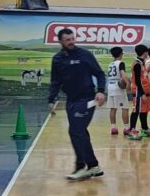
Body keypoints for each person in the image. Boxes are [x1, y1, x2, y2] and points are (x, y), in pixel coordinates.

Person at [47, 29, 106, 181]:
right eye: (68, 40)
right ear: (60, 41)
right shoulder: (57, 59)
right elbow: (55, 81)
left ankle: (82, 166)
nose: (71, 42)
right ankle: (93, 166)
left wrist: (100, 91)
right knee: (78, 131)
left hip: (87, 99)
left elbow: (99, 74)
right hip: (71, 100)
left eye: (73, 38)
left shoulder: (85, 55)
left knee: (76, 130)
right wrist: (51, 100)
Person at [126, 45, 150, 140]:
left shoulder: (142, 63)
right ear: (144, 52)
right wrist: (142, 94)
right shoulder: (137, 64)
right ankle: (131, 130)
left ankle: (144, 129)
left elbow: (143, 78)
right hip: (138, 91)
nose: (147, 53)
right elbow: (137, 81)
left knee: (144, 110)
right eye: (147, 52)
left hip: (144, 90)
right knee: (136, 110)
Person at [106, 47, 128, 135]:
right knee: (125, 108)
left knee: (113, 108)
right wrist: (128, 83)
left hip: (110, 87)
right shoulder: (121, 63)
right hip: (118, 87)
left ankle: (113, 128)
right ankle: (126, 128)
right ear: (120, 54)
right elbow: (123, 75)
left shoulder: (110, 64)